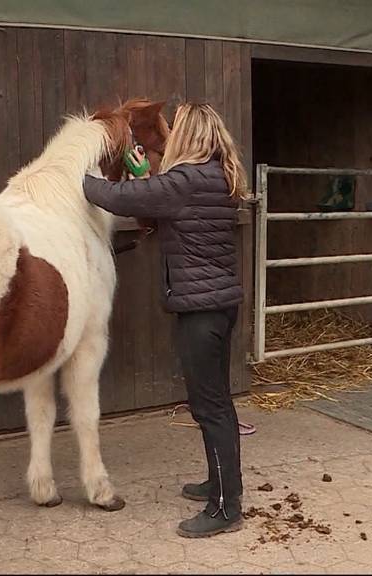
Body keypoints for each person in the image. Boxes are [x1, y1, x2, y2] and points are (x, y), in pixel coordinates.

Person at [83, 103, 249, 538]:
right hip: (218, 306)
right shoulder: (216, 176)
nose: (169, 131)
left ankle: (225, 508)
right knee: (217, 403)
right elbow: (164, 206)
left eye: (176, 126)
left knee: (209, 407)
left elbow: (114, 198)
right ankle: (220, 485)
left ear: (189, 136)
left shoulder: (185, 181)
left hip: (200, 311)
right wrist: (145, 176)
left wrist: (75, 173)